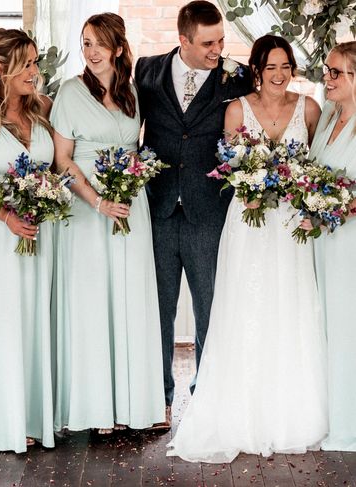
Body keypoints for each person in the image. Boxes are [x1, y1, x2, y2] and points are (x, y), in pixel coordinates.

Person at [167, 34, 328, 463]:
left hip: (290, 221)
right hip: (250, 220)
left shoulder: (309, 108)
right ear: (256, 70)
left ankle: (290, 408)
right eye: (270, 67)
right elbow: (230, 164)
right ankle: (238, 407)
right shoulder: (236, 109)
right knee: (245, 305)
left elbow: (315, 163)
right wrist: (247, 183)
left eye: (285, 66)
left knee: (289, 305)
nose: (279, 75)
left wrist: (299, 190)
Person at [135, 0, 252, 428]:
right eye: (208, 42)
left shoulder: (237, 77)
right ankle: (159, 398)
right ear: (182, 39)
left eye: (221, 39)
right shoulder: (146, 71)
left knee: (210, 310)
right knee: (159, 310)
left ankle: (206, 398)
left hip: (209, 210)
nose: (218, 48)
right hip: (160, 207)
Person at [50, 12, 165, 434]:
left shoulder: (132, 92)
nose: (91, 51)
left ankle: (130, 405)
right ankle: (95, 408)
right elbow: (62, 160)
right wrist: (98, 201)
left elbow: (136, 149)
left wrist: (128, 188)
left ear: (118, 48)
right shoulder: (69, 91)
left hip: (130, 206)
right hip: (86, 211)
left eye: (99, 43)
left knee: (128, 298)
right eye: (85, 43)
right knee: (92, 302)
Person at [0, 29, 54, 453]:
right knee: (4, 323)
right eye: (27, 64)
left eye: (35, 62)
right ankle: (3, 421)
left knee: (35, 319)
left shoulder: (44, 109)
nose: (36, 71)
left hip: (42, 235)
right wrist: (6, 215)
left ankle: (33, 416)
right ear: (0, 68)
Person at [309, 42, 356, 451]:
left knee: (348, 326)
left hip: (350, 241)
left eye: (336, 72)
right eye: (327, 70)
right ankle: (329, 412)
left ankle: (350, 422)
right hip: (323, 239)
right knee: (325, 324)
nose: (328, 78)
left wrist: (341, 207)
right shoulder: (326, 116)